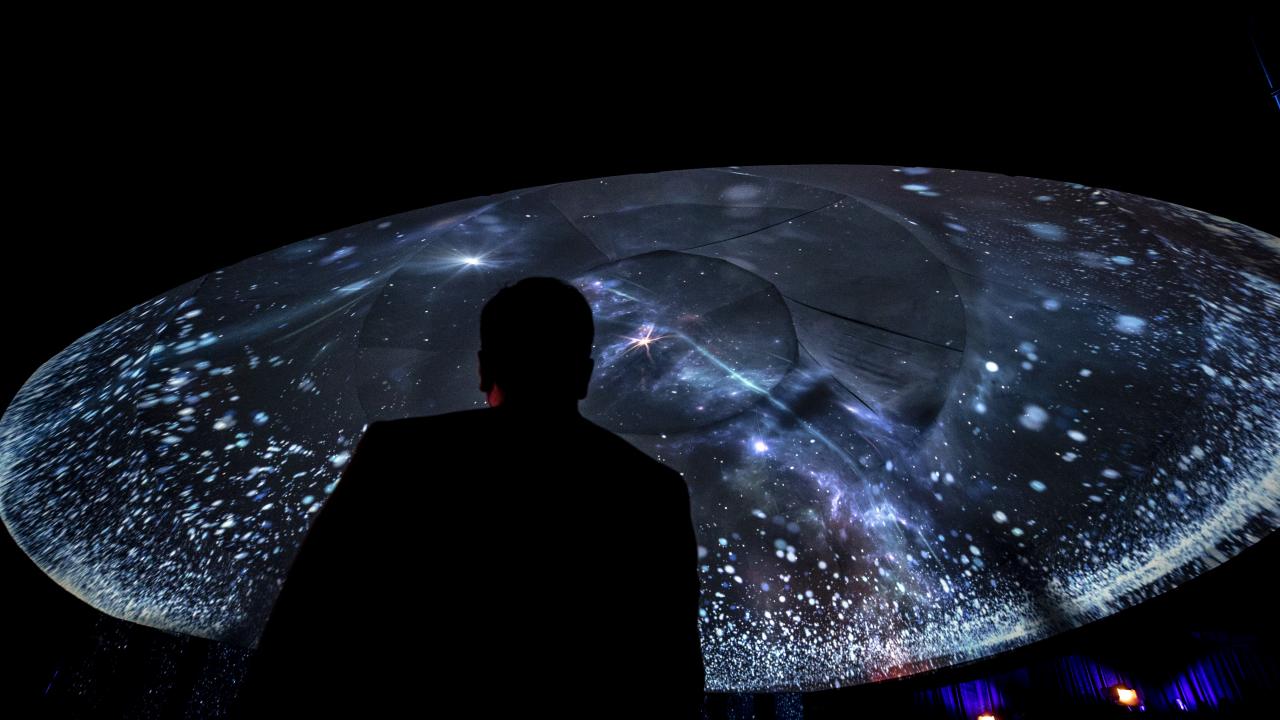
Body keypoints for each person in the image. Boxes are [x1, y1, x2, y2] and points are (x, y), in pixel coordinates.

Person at [233, 276, 705, 718]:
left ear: (484, 368)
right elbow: (673, 668)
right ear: (583, 374)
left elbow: (307, 615)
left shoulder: (398, 454)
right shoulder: (652, 490)